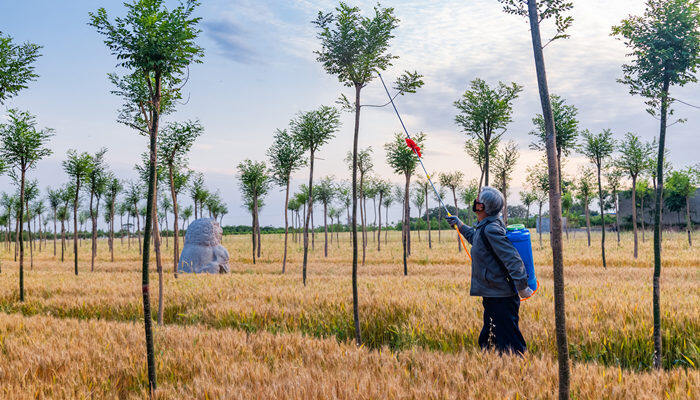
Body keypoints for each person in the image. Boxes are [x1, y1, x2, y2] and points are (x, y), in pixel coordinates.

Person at [446, 186, 533, 354]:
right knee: (489, 339)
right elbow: (477, 239)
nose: (475, 202)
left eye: (478, 200)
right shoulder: (485, 227)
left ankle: (520, 371)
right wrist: (460, 225)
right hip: (493, 294)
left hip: (501, 296)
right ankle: (494, 371)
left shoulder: (491, 228)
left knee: (509, 341)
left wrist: (522, 287)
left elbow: (513, 259)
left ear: (482, 207)